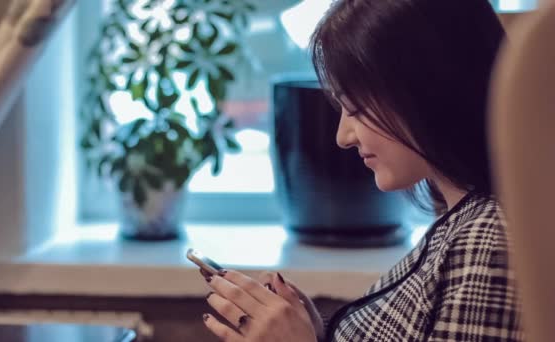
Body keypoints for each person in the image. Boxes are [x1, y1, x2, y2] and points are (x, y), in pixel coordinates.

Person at [197, 0, 524, 341]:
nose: (343, 137)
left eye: (354, 107)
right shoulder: (463, 222)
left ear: (424, 90)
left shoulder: (489, 240)